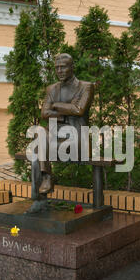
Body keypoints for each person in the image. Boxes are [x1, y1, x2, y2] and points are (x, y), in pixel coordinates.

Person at [38, 53, 94, 194]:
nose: (59, 71)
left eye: (63, 67)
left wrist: (55, 105)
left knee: (38, 149)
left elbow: (79, 109)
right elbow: (44, 113)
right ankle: (47, 176)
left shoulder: (86, 87)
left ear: (72, 67)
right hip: (56, 135)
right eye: (57, 68)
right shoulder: (52, 89)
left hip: (78, 138)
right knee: (39, 133)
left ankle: (46, 180)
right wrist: (67, 110)